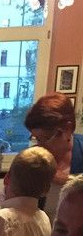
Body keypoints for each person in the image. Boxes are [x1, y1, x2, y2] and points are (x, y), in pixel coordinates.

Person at [24, 93, 83, 221]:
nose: (40, 146)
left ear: (67, 129)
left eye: (45, 138)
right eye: (36, 138)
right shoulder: (32, 158)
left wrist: (69, 181)